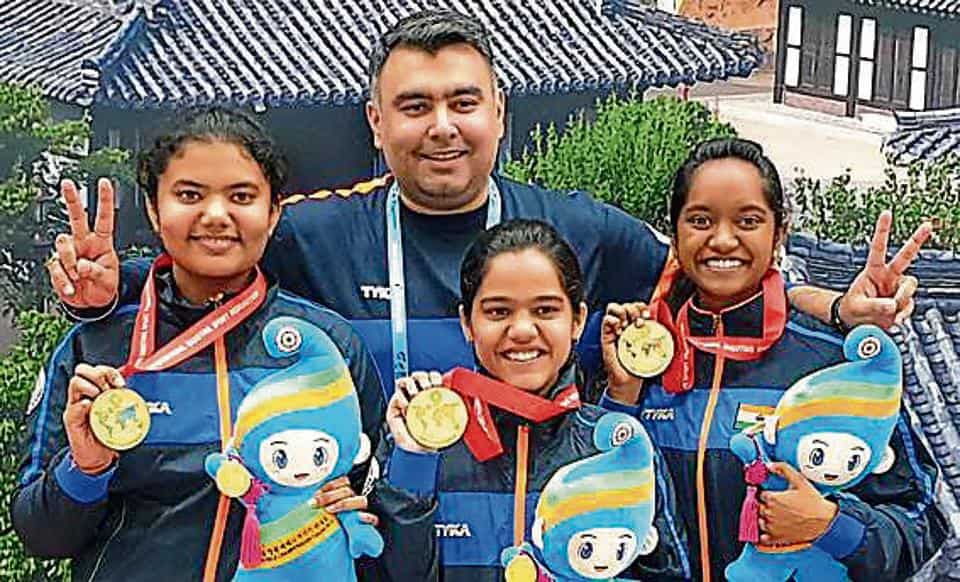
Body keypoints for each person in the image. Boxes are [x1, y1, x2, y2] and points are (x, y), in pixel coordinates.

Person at [45, 10, 925, 397]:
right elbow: (195, 276)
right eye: (415, 106)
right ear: (376, 123)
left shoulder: (577, 227)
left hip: (535, 527)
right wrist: (100, 291)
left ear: (499, 112)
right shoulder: (316, 231)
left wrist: (836, 307)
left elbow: (715, 273)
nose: (442, 128)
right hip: (372, 530)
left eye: (463, 102)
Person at [13, 109, 385, 582]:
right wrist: (86, 469)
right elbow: (41, 535)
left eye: (242, 197)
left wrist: (357, 500)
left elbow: (375, 495)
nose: (215, 215)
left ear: (273, 213)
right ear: (154, 209)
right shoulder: (97, 349)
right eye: (189, 195)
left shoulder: (326, 347)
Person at [597, 138, 947, 581]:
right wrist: (621, 399)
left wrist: (831, 525)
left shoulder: (832, 362)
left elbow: (921, 519)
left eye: (748, 221)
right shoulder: (642, 357)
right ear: (675, 232)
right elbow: (603, 509)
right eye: (700, 220)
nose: (723, 240)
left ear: (779, 233)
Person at [372, 218, 690, 580]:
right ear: (467, 322)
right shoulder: (418, 443)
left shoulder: (618, 447)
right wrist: (414, 462)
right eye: (498, 311)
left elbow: (669, 574)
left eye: (545, 310)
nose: (522, 330)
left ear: (577, 320)